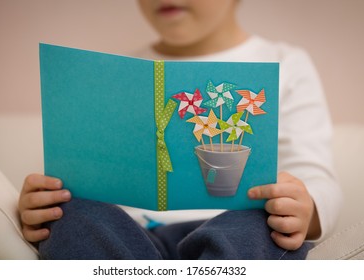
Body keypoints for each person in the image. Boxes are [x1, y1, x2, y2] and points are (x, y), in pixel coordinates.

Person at [18, 0, 342, 259]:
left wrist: (306, 209)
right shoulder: (116, 77)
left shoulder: (287, 62)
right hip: (127, 236)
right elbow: (82, 174)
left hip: (234, 233)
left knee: (262, 223)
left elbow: (313, 173)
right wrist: (48, 200)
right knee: (73, 215)